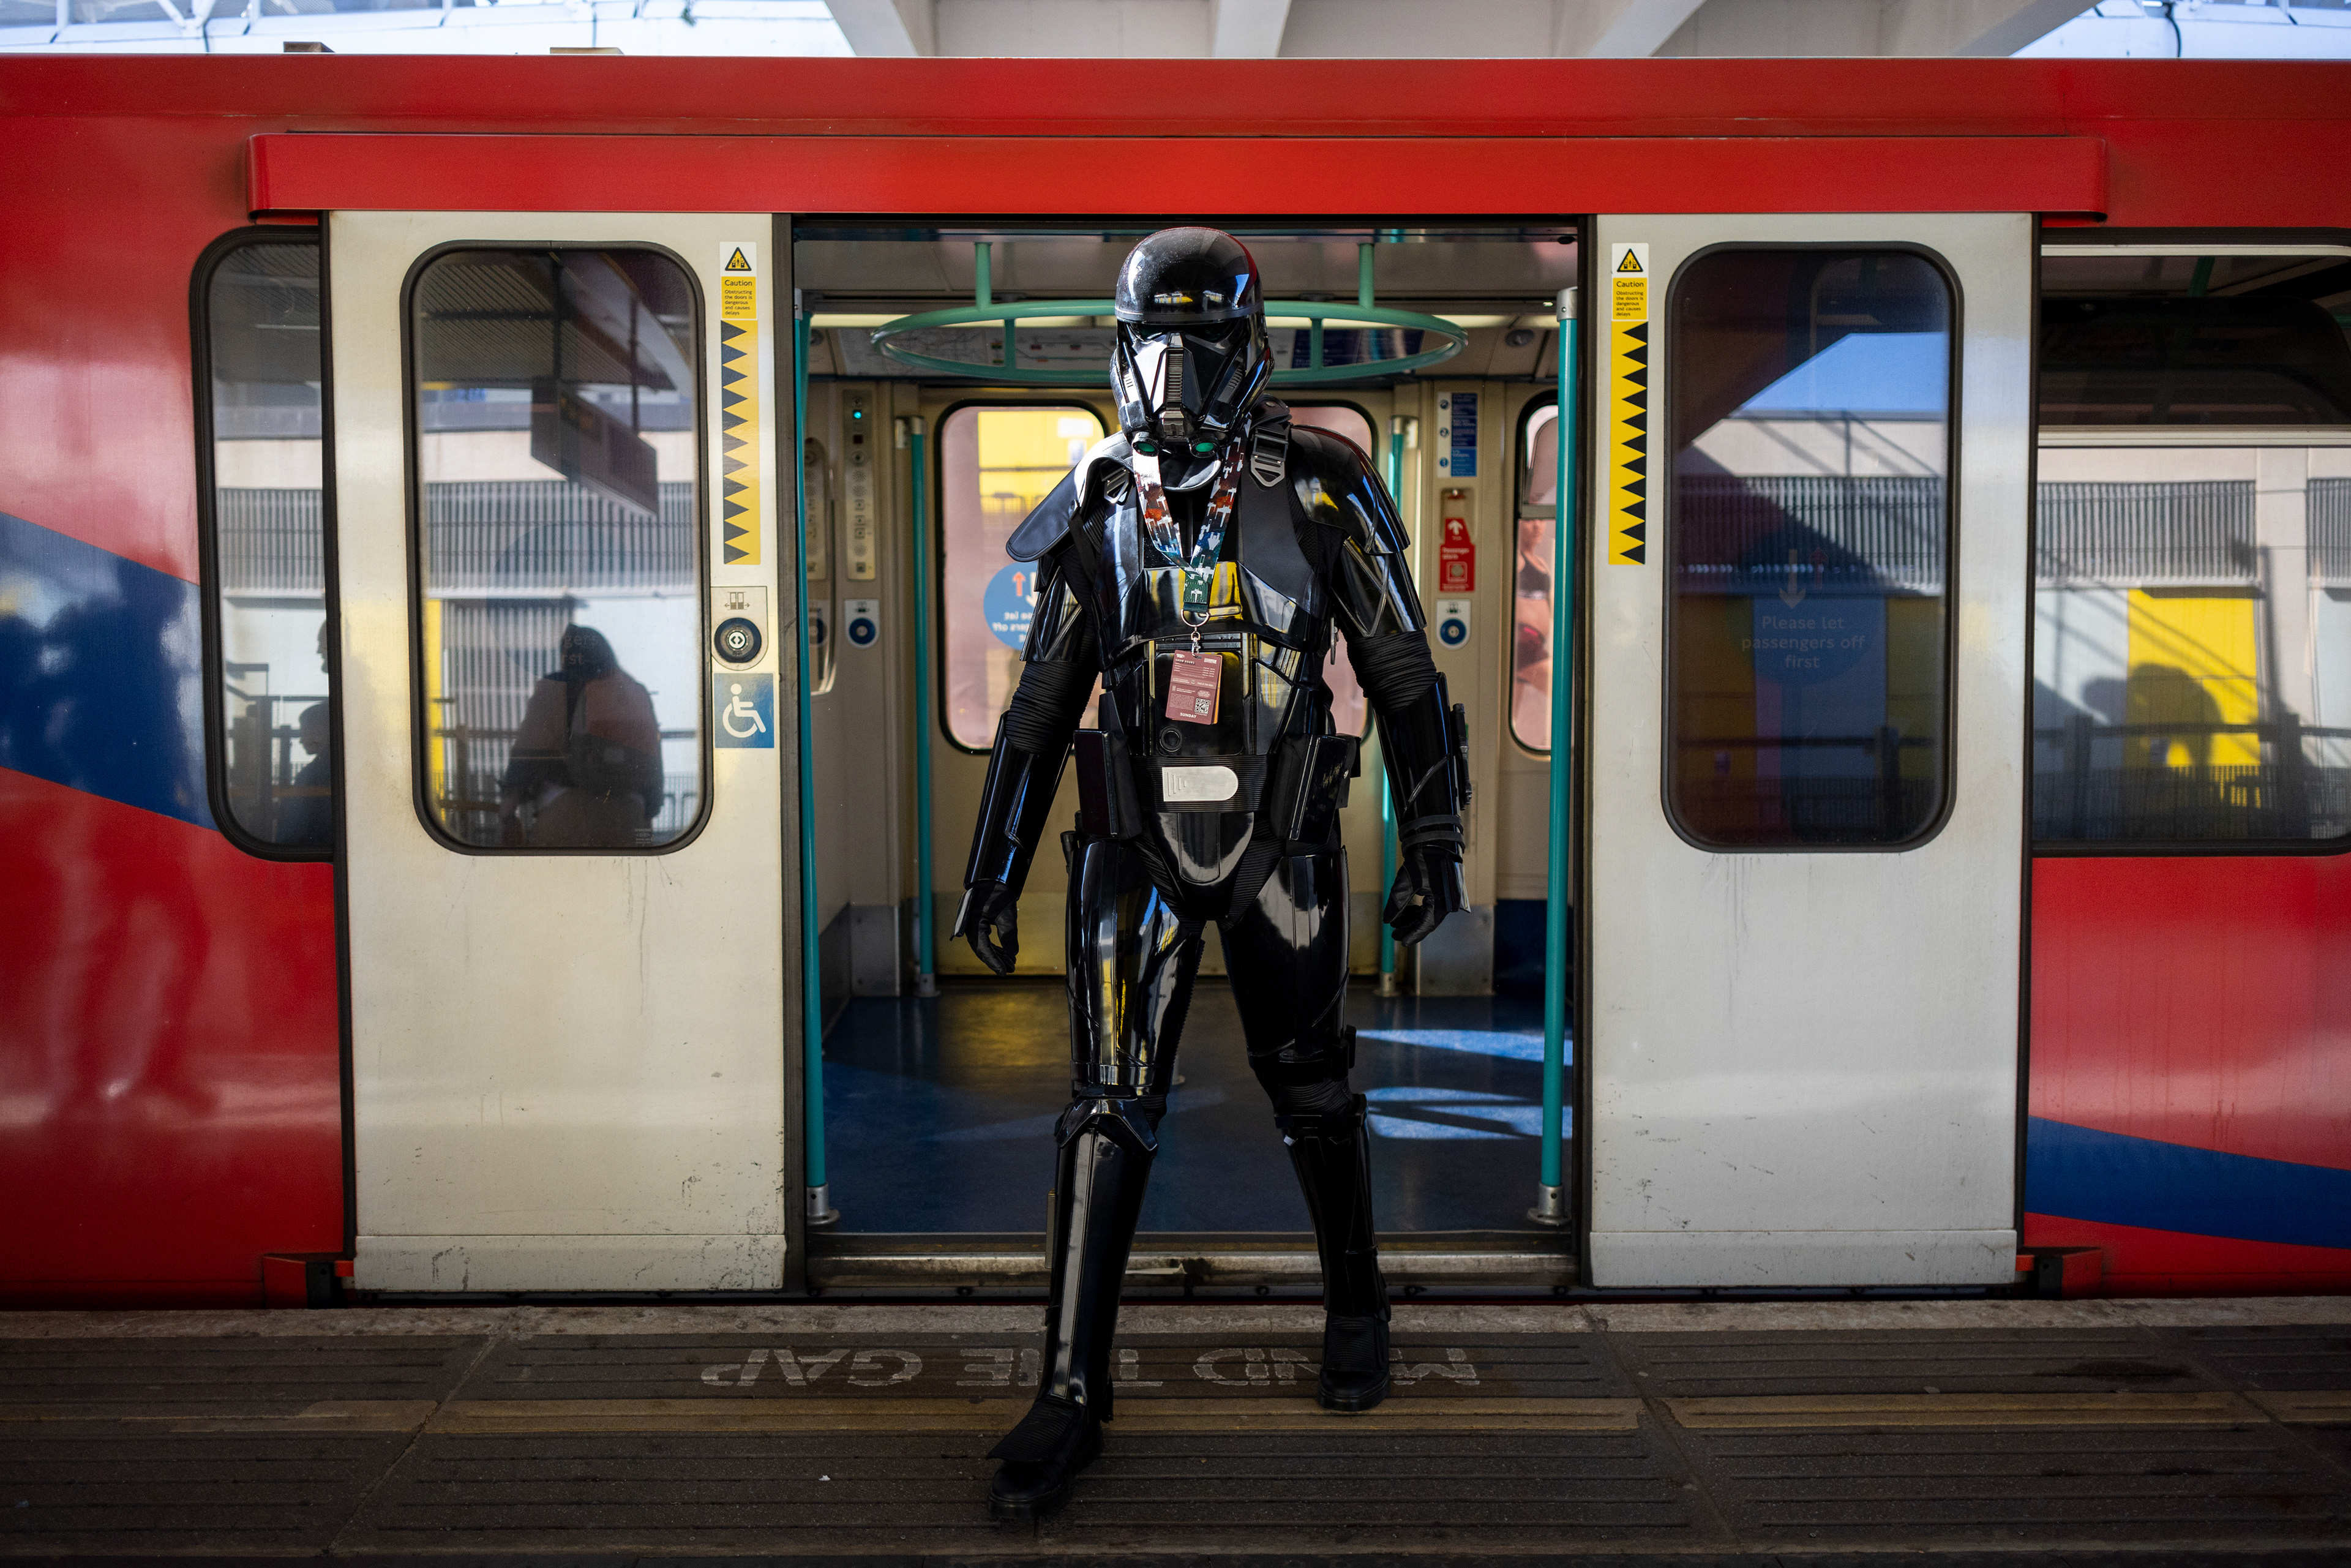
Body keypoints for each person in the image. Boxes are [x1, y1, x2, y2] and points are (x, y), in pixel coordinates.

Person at [953, 228, 1469, 1521]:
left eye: (1207, 342)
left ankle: (1359, 1308)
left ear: (1255, 351)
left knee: (1313, 1085)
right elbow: (1039, 704)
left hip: (1282, 840)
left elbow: (1404, 674)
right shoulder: (1096, 498)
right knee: (1105, 1104)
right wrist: (995, 864)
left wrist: (1438, 837)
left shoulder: (1325, 488)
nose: (1178, 371)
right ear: (1123, 354)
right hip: (1130, 843)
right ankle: (1070, 1383)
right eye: (1157, 342)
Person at [498, 624, 662, 847]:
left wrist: (507, 812)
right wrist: (646, 816)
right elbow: (653, 763)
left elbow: (528, 752)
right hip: (629, 816)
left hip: (565, 813)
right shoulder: (635, 691)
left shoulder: (555, 687)